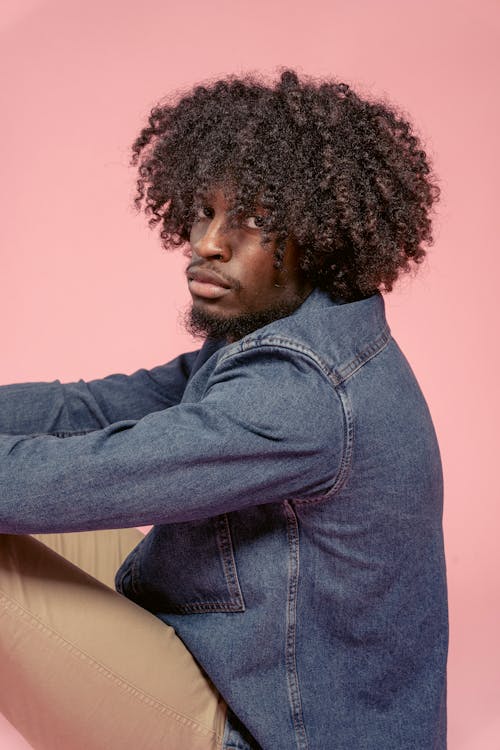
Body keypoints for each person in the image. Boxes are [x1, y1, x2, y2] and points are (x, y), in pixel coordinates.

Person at [0, 69, 448, 749]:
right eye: (204, 211)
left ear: (318, 237)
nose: (206, 243)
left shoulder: (299, 396)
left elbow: (82, 476)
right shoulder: (300, 333)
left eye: (249, 220)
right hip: (239, 666)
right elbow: (86, 410)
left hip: (268, 733)